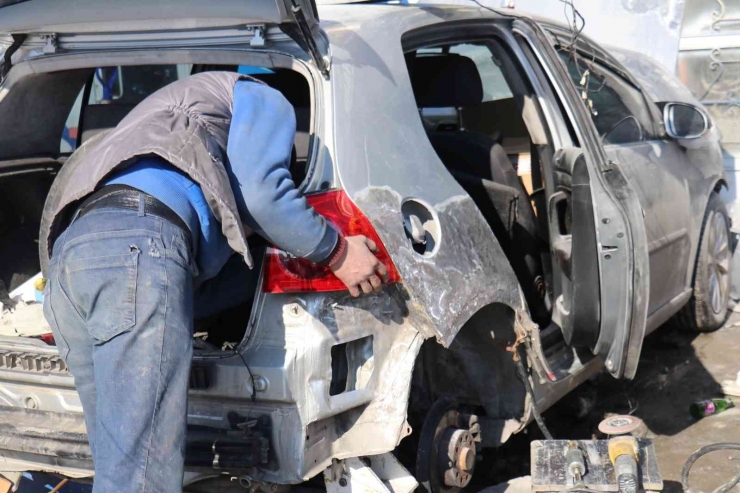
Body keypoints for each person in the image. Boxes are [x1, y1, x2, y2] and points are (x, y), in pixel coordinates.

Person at [40, 71, 387, 493]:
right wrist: (339, 252)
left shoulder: (161, 110)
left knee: (120, 468)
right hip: (139, 248)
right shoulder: (263, 96)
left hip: (68, 260)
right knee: (141, 478)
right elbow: (264, 197)